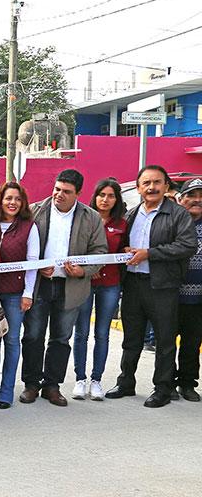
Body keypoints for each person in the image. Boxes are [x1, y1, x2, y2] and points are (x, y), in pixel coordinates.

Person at [106, 165, 196, 407]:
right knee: (131, 338)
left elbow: (188, 246)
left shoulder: (178, 214)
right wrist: (126, 251)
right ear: (138, 188)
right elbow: (124, 245)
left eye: (157, 182)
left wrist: (150, 253)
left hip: (163, 286)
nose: (152, 187)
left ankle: (163, 388)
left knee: (165, 341)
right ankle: (126, 382)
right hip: (133, 284)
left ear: (166, 186)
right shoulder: (132, 214)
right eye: (146, 183)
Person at [20, 169, 108, 407]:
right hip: (40, 285)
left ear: (78, 194)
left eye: (66, 192)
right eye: (57, 189)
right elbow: (22, 245)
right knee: (32, 335)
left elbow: (100, 252)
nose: (59, 195)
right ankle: (31, 384)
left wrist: (82, 270)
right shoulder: (35, 211)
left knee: (61, 338)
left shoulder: (91, 217)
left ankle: (52, 385)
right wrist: (37, 267)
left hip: (71, 286)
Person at [0, 182, 39, 409]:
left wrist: (28, 294)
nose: (13, 203)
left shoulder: (29, 226)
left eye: (17, 199)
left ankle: (6, 392)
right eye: (8, 198)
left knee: (12, 341)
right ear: (0, 200)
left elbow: (33, 263)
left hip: (16, 295)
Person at [71, 178, 127, 401]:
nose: (105, 200)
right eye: (101, 195)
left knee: (102, 333)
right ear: (94, 197)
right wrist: (88, 268)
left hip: (110, 285)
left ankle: (96, 380)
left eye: (110, 196)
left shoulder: (122, 224)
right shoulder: (84, 219)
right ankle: (80, 379)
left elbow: (123, 252)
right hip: (83, 282)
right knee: (81, 332)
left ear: (116, 199)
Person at [174, 178, 202, 401]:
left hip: (198, 298)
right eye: (191, 196)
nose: (197, 200)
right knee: (165, 343)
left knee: (192, 343)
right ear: (180, 199)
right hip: (170, 294)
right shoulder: (172, 223)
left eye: (201, 196)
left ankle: (187, 383)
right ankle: (164, 383)